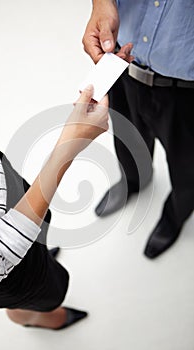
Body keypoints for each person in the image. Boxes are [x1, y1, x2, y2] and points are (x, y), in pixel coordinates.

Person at [0, 85, 109, 330]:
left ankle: (40, 258)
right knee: (52, 292)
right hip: (7, 266)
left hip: (4, 189)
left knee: (42, 229)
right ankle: (28, 316)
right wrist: (68, 145)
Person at [82, 0, 194, 258]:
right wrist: (101, 3)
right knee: (127, 139)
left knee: (187, 168)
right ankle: (133, 181)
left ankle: (175, 215)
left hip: (187, 88)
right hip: (124, 61)